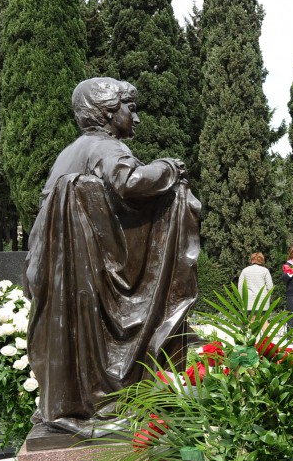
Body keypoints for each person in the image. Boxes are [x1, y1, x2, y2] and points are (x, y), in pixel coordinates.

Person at [25, 77, 200, 434]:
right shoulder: (105, 147)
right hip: (88, 274)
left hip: (58, 273)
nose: (135, 119)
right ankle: (104, 398)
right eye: (130, 109)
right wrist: (170, 168)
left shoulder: (70, 151)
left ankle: (75, 399)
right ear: (107, 112)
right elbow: (129, 182)